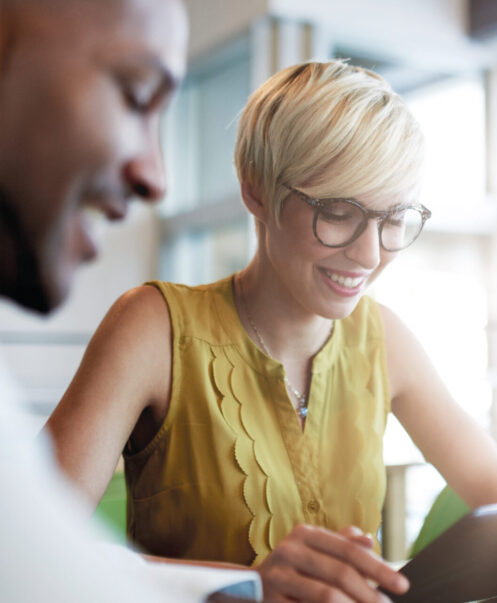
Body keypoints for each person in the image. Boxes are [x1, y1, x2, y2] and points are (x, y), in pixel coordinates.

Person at [46, 60, 497, 602]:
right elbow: (26, 546)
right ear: (255, 190)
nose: (369, 254)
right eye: (339, 213)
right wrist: (247, 588)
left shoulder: (385, 340)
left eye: (393, 218)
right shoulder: (151, 329)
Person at [0, 0, 256, 600]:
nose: (156, 176)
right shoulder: (153, 321)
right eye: (136, 94)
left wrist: (259, 583)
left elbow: (36, 552)